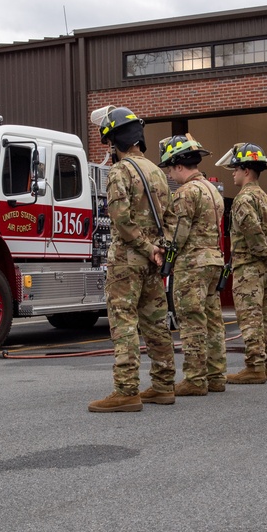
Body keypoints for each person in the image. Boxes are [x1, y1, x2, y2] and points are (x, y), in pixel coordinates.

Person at [87, 106, 177, 413]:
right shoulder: (158, 173)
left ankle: (126, 391)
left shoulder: (119, 172)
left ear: (115, 143)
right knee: (155, 322)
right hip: (154, 260)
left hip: (128, 260)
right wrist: (159, 247)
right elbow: (171, 218)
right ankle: (164, 385)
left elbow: (121, 220)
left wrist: (143, 245)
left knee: (124, 321)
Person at [158, 134, 227, 395]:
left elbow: (178, 234)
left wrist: (164, 255)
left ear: (178, 165)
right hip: (213, 261)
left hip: (193, 264)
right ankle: (216, 375)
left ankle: (195, 379)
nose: (170, 175)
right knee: (212, 320)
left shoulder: (186, 192)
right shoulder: (212, 190)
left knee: (191, 320)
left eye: (170, 169)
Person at [221, 143, 267, 384]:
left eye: (235, 168)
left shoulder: (243, 199)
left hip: (249, 266)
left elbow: (252, 232)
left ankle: (254, 367)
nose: (233, 173)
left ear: (246, 170)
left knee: (250, 316)